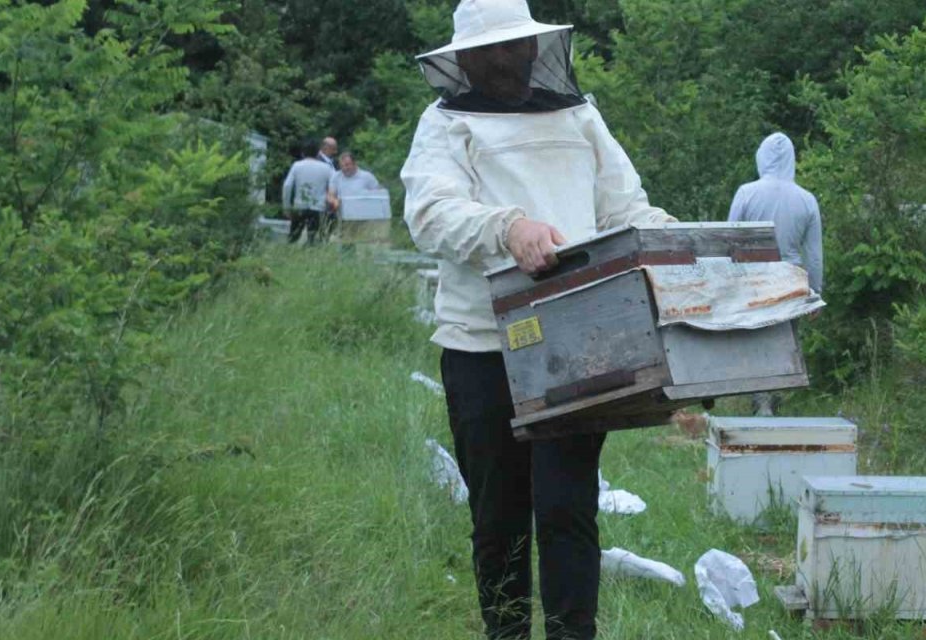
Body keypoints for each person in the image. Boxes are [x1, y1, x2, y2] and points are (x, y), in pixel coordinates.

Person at [401, 1, 676, 638]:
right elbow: (431, 211)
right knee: (498, 514)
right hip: (481, 346)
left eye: (514, 47)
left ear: (535, 48)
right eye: (490, 50)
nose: (505, 60)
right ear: (463, 60)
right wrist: (507, 227)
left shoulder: (580, 116)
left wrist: (675, 245)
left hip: (578, 343)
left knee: (567, 508)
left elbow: (626, 207)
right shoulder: (443, 125)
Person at [727, 132, 823, 417]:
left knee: (759, 339)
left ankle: (761, 399)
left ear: (762, 157)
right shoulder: (807, 200)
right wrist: (814, 292)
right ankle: (773, 399)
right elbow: (814, 255)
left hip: (752, 278)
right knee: (785, 341)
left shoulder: (747, 193)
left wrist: (728, 283)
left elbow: (729, 239)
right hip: (790, 280)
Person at [281, 139, 334, 244]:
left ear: (303, 152)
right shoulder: (327, 168)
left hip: (299, 206)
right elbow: (334, 186)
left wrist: (286, 206)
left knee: (293, 238)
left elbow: (287, 186)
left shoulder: (297, 165)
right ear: (318, 152)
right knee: (314, 240)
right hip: (318, 208)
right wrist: (331, 206)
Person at [328, 152, 387, 242]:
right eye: (342, 166)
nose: (345, 168)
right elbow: (331, 194)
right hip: (344, 218)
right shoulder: (336, 176)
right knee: (346, 242)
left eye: (347, 165)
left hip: (365, 218)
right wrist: (334, 201)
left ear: (354, 163)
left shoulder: (367, 176)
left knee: (365, 241)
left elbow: (378, 195)